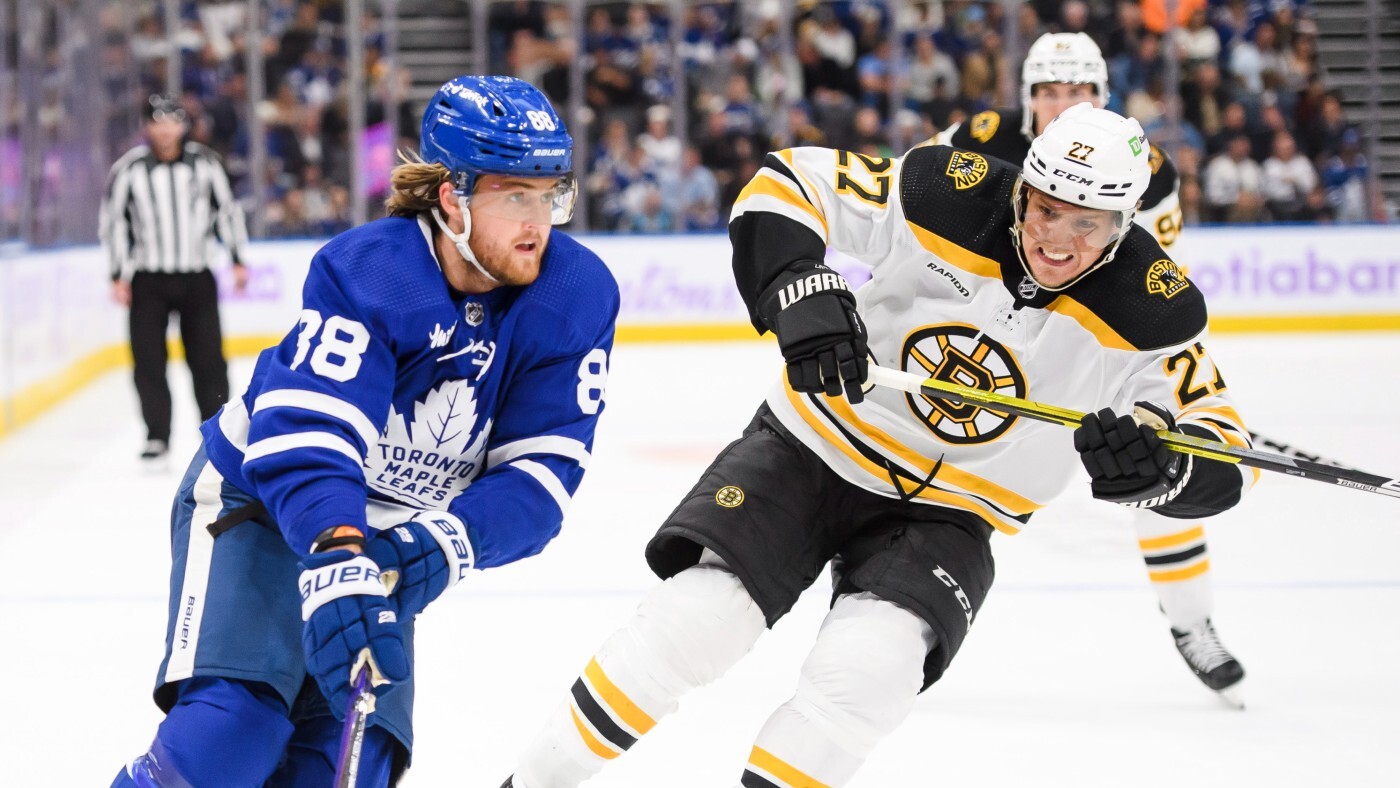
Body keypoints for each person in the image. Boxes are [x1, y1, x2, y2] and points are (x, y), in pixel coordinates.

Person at [503, 105, 1254, 787]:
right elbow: (786, 181)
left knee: (870, 672)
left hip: (956, 511)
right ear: (1024, 188)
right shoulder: (946, 191)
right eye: (1046, 208)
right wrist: (797, 284)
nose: (1056, 238)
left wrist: (1166, 469)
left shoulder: (1153, 306)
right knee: (695, 622)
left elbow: (1224, 444)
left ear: (1124, 223)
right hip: (814, 445)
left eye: (1086, 224)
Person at [111, 75, 619, 787]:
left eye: (549, 195)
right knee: (230, 736)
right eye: (514, 197)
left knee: (349, 766)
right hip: (261, 507)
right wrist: (338, 549)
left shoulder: (576, 293)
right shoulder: (375, 272)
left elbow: (542, 473)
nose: (538, 221)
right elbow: (310, 432)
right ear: (452, 197)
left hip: (383, 539)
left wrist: (439, 545)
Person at [922, 32, 1246, 698]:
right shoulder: (982, 138)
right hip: (983, 334)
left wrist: (1171, 406)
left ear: (1102, 95)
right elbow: (910, 202)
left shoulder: (1146, 168)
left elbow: (1156, 283)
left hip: (1091, 339)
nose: (1064, 104)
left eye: (1078, 91)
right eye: (1049, 91)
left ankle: (1191, 622)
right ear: (1026, 97)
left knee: (1154, 471)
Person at [99, 92, 250, 463]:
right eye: (158, 122)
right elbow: (114, 222)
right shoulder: (129, 169)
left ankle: (214, 430)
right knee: (148, 359)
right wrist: (117, 273)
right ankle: (157, 435)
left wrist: (237, 258)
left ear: (184, 125)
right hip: (148, 278)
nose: (166, 130)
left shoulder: (206, 164)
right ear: (146, 127)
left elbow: (227, 212)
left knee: (209, 358)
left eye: (173, 121)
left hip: (197, 276)